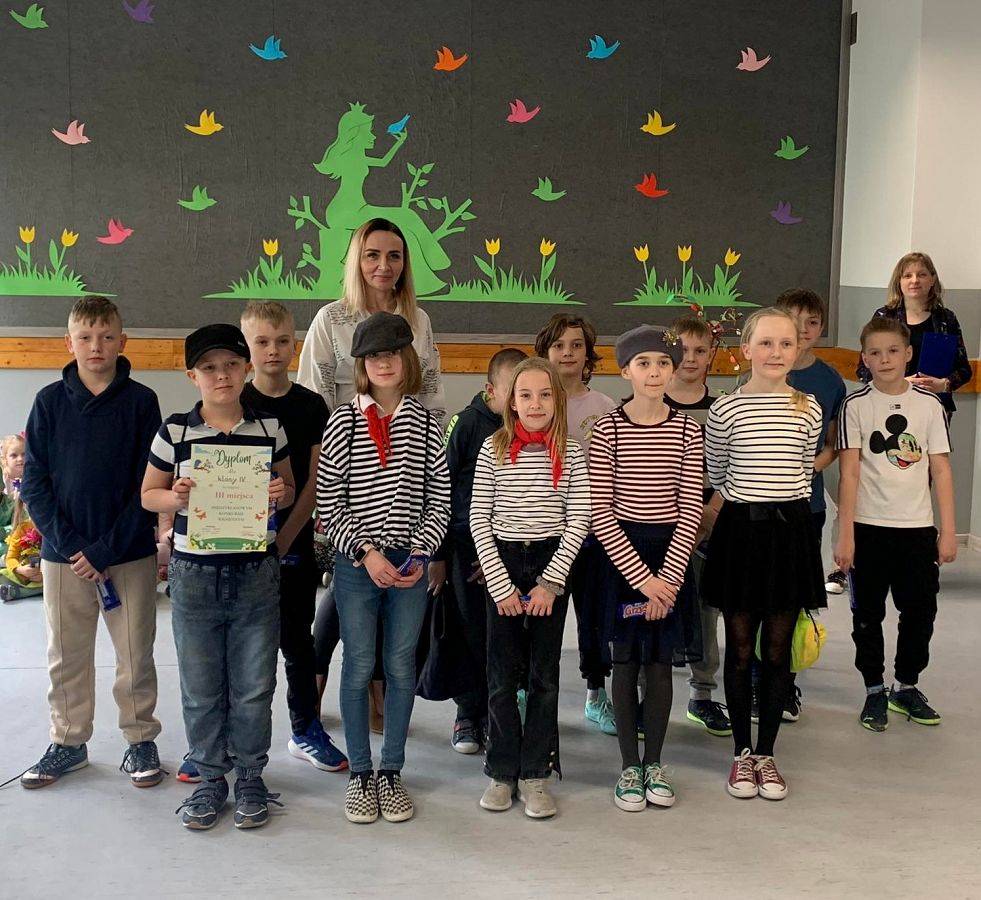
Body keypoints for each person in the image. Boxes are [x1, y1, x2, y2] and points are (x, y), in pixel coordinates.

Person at [142, 324, 295, 831]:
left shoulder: (270, 428)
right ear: (193, 376)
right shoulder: (175, 432)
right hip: (194, 574)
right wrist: (175, 497)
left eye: (231, 365)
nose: (221, 375)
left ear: (247, 369)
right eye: (209, 368)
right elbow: (148, 494)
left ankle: (250, 775)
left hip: (255, 571)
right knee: (201, 686)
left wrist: (279, 493)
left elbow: (289, 487)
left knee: (254, 684)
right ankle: (210, 777)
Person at [303, 217, 447, 734]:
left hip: (406, 467)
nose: (383, 265)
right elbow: (314, 399)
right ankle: (312, 692)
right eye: (372, 254)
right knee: (346, 588)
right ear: (356, 261)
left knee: (391, 589)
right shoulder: (331, 319)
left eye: (394, 256)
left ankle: (378, 694)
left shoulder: (419, 320)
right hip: (347, 470)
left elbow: (431, 394)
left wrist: (424, 458)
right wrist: (329, 478)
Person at [19, 297, 163, 791]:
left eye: (106, 337)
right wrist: (73, 547)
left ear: (123, 342)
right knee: (66, 654)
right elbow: (34, 483)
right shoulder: (48, 402)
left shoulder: (142, 402)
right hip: (65, 558)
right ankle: (68, 741)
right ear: (69, 343)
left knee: (135, 653)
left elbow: (149, 482)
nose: (95, 346)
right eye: (85, 337)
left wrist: (105, 549)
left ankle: (140, 738)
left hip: (128, 553)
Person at [317, 311, 450, 825]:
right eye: (373, 356)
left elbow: (439, 500)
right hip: (358, 564)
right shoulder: (343, 421)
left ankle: (391, 771)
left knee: (399, 665)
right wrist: (366, 553)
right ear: (361, 365)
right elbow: (330, 502)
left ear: (407, 359)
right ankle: (360, 774)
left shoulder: (425, 423)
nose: (384, 363)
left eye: (392, 353)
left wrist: (419, 553)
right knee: (357, 665)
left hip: (409, 564)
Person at [703, 308, 824, 801]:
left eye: (786, 344)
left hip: (789, 536)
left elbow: (804, 469)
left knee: (777, 651)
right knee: (739, 649)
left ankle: (768, 754)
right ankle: (741, 753)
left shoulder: (809, 407)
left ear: (797, 350)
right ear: (746, 350)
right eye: (767, 343)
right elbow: (718, 472)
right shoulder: (725, 410)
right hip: (741, 535)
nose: (776, 352)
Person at [470, 357, 590, 820]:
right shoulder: (493, 448)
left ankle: (536, 771)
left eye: (544, 395)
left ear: (557, 400)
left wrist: (550, 583)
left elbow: (579, 519)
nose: (535, 404)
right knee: (501, 675)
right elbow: (479, 519)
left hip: (549, 562)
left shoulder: (571, 452)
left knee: (543, 676)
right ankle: (502, 770)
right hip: (502, 560)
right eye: (525, 395)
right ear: (511, 403)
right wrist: (500, 585)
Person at [591, 326, 703, 812]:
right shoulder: (608, 429)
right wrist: (644, 581)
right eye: (643, 363)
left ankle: (654, 761)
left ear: (673, 370)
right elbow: (600, 511)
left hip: (670, 557)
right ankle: (627, 767)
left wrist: (668, 581)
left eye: (663, 363)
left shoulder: (688, 430)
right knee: (625, 661)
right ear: (625, 372)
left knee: (659, 664)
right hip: (623, 561)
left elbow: (691, 508)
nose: (654, 372)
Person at [238, 302, 349, 774]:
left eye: (282, 340)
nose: (273, 350)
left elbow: (315, 481)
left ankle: (305, 729)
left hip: (293, 544)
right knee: (242, 646)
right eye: (261, 342)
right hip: (239, 550)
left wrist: (284, 538)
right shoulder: (234, 402)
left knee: (298, 642)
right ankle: (228, 738)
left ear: (295, 344)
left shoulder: (311, 405)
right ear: (247, 347)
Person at [834, 317, 956, 732]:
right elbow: (849, 474)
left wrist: (947, 531)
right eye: (875, 352)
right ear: (864, 358)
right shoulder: (855, 406)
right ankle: (873, 689)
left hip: (917, 530)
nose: (884, 359)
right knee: (867, 615)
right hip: (868, 528)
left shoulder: (929, 405)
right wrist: (845, 534)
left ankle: (905, 685)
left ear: (908, 354)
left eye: (892, 351)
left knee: (920, 612)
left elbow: (941, 470)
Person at [428, 347, 528, 754]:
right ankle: (467, 712)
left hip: (511, 549)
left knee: (502, 634)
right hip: (465, 549)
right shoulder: (466, 424)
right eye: (513, 390)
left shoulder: (530, 426)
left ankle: (495, 711)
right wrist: (438, 555)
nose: (521, 400)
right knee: (468, 631)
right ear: (491, 390)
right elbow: (441, 489)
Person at [534, 313, 618, 734]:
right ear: (544, 353)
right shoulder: (533, 402)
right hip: (544, 532)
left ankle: (595, 693)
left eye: (576, 345)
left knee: (593, 619)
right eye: (558, 345)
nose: (567, 353)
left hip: (592, 535)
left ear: (588, 354)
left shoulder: (604, 407)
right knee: (540, 619)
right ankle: (531, 694)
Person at [772, 290, 846, 722]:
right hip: (760, 508)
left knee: (796, 596)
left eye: (812, 322)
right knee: (763, 596)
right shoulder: (761, 371)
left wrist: (804, 469)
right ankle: (760, 676)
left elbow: (833, 444)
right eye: (792, 319)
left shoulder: (829, 381)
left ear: (820, 328)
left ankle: (786, 680)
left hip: (806, 505)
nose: (802, 329)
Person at [664, 315, 731, 738]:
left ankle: (702, 692)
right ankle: (644, 691)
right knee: (654, 606)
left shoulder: (722, 408)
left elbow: (732, 467)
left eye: (700, 351)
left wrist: (708, 515)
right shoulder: (649, 401)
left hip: (709, 523)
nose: (690, 358)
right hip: (659, 523)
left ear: (711, 355)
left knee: (707, 608)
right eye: (682, 350)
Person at [856, 251, 971, 418]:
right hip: (890, 406)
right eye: (908, 275)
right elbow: (863, 370)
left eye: (922, 275)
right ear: (899, 281)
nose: (915, 280)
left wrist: (944, 384)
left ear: (932, 280)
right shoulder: (884, 317)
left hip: (935, 408)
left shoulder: (946, 319)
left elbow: (964, 369)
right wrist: (899, 384)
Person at [1, 434, 43, 602]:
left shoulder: (37, 481)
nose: (20, 459)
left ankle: (18, 592)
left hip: (43, 558)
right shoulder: (8, 489)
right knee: (6, 572)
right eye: (14, 455)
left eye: (24, 454)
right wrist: (19, 568)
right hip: (18, 549)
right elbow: (12, 555)